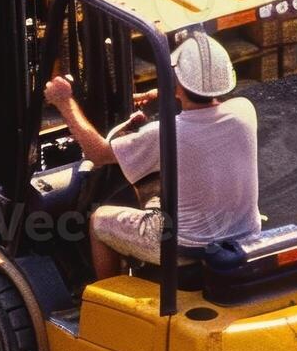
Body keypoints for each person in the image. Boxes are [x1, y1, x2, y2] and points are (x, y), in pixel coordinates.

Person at [41, 30, 261, 281]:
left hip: (185, 244)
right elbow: (204, 100)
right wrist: (163, 94)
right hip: (243, 233)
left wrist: (64, 102)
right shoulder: (244, 111)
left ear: (176, 81)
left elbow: (98, 154)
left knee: (99, 221)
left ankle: (109, 301)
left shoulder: (166, 133)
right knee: (155, 189)